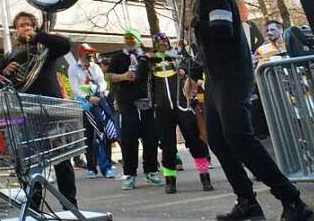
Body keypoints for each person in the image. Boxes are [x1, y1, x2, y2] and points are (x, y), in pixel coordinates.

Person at [173, 0, 314, 221]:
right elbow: (207, 47)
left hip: (232, 76)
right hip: (216, 78)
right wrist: (193, 74)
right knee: (217, 139)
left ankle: (292, 200)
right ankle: (247, 201)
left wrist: (195, 26)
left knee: (240, 138)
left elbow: (222, 32)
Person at [0, 11, 77, 207]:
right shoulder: (11, 54)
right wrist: (4, 72)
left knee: (62, 159)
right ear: (15, 31)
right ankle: (34, 207)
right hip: (25, 113)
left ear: (34, 27)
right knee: (30, 162)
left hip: (51, 110)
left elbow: (65, 45)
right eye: (19, 26)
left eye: (27, 24)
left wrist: (38, 36)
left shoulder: (46, 48)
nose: (23, 28)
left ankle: (70, 205)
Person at [150, 32, 213, 194]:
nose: (161, 44)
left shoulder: (178, 58)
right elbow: (139, 79)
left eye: (164, 41)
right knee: (167, 146)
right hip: (162, 110)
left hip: (183, 106)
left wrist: (186, 70)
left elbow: (197, 68)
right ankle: (170, 180)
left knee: (195, 140)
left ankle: (205, 176)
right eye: (158, 42)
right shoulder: (149, 62)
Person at [107, 29, 163, 190]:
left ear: (138, 40)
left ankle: (151, 172)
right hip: (127, 103)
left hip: (146, 102)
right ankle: (130, 175)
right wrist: (123, 76)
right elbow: (108, 76)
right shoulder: (118, 57)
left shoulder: (145, 57)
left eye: (133, 39)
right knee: (129, 140)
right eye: (127, 39)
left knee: (151, 139)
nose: (130, 41)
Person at [67, 44, 116, 179]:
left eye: (91, 53)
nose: (89, 56)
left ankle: (106, 166)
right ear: (81, 54)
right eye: (87, 53)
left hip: (98, 101)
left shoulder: (95, 67)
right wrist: (88, 96)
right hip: (85, 104)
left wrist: (97, 90)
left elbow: (102, 81)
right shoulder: (73, 68)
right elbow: (74, 87)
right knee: (88, 135)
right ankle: (91, 167)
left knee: (102, 131)